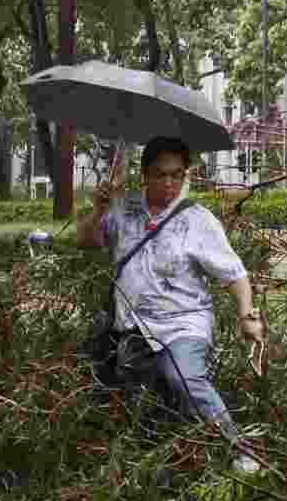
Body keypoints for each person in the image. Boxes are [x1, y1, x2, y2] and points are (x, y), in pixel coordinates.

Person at [76, 136, 265, 472]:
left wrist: (247, 316)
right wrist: (98, 209)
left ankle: (242, 449)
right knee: (143, 404)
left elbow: (234, 275)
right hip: (133, 326)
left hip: (184, 322)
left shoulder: (198, 219)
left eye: (176, 175)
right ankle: (164, 472)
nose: (169, 183)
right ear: (145, 174)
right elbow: (86, 241)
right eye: (161, 174)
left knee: (183, 376)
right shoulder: (123, 208)